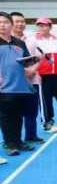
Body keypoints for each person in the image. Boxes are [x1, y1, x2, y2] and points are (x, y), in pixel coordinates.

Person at [0, 12, 38, 156]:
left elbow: (27, 61)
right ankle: (10, 144)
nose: (2, 25)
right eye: (0, 23)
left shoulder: (20, 43)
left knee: (18, 116)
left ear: (11, 25)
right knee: (6, 116)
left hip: (20, 86)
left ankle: (18, 142)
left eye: (5, 22)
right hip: (3, 87)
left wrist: (35, 60)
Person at [9, 12, 44, 143]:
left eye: (22, 21)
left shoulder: (32, 40)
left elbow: (40, 57)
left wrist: (32, 70)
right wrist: (24, 71)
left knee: (32, 110)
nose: (20, 24)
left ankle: (31, 136)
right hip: (13, 83)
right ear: (11, 24)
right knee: (14, 113)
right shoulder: (6, 41)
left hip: (32, 81)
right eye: (17, 21)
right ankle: (13, 140)